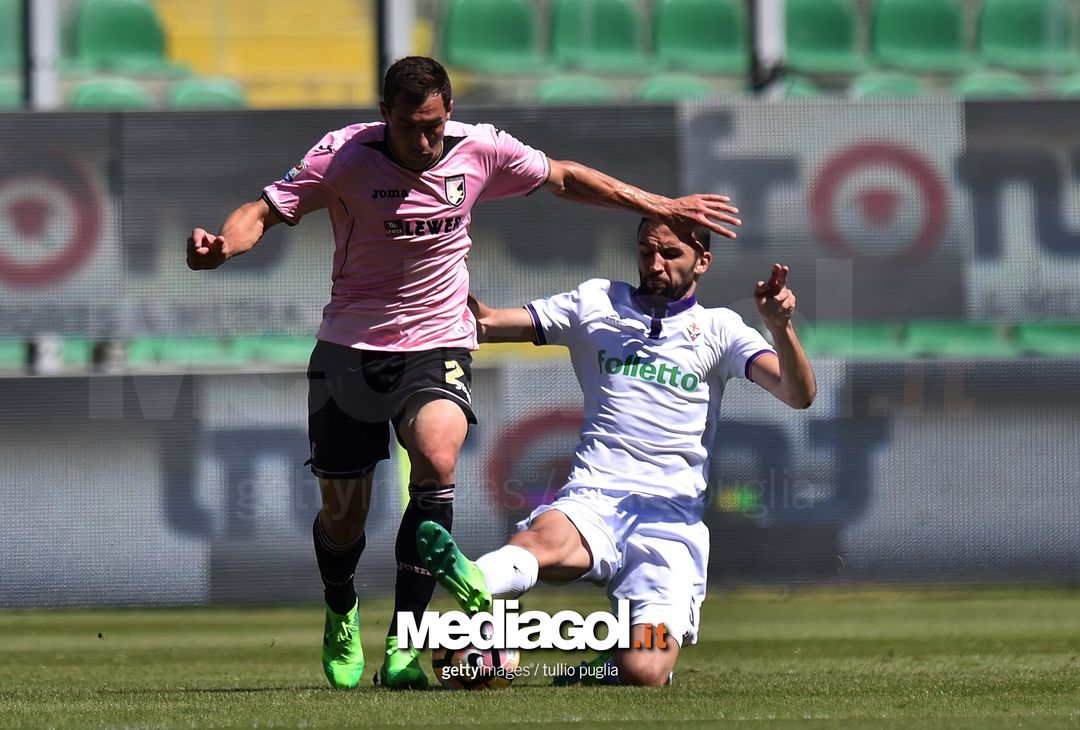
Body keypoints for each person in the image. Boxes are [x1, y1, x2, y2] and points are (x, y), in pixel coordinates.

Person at [185, 56, 742, 690]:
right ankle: (341, 607)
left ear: (448, 114)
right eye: (409, 127)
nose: (423, 142)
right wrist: (222, 248)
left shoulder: (481, 149)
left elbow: (564, 177)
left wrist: (658, 202)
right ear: (384, 116)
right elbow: (260, 211)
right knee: (343, 518)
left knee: (439, 456)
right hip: (351, 345)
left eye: (434, 126)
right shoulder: (342, 156)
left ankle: (403, 644)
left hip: (438, 339)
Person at [417, 217, 816, 686]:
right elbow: (485, 322)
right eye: (647, 251)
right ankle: (477, 586)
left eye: (671, 254)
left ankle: (590, 670)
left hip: (670, 521)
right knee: (542, 542)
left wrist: (778, 326)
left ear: (703, 262)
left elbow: (798, 393)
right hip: (595, 496)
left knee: (643, 670)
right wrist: (439, 273)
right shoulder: (596, 303)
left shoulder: (720, 329)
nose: (655, 263)